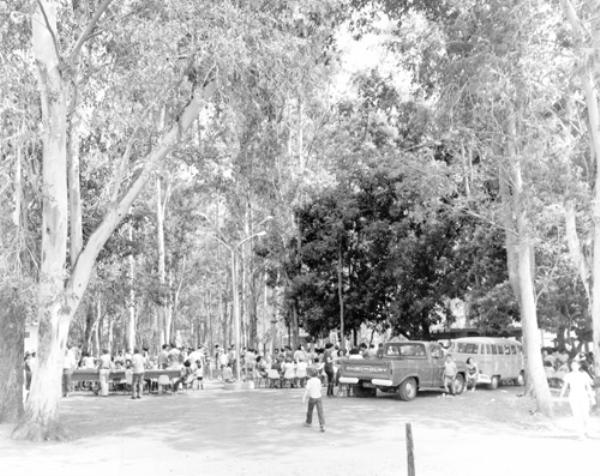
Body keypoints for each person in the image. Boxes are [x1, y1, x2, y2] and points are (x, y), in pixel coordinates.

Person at [559, 360, 596, 439]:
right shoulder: (568, 375)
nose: (574, 367)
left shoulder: (584, 375)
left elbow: (588, 387)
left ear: (579, 366)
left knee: (585, 415)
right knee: (577, 415)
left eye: (575, 365)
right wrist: (561, 398)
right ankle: (580, 434)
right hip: (573, 397)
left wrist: (592, 398)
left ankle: (586, 430)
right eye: (572, 365)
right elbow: (564, 387)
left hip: (583, 396)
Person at [303, 367, 325, 432]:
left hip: (312, 398)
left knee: (310, 410)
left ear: (309, 374)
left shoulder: (309, 381)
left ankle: (308, 422)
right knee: (320, 412)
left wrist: (304, 397)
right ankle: (322, 425)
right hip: (319, 397)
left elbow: (307, 390)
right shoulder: (318, 380)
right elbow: (320, 388)